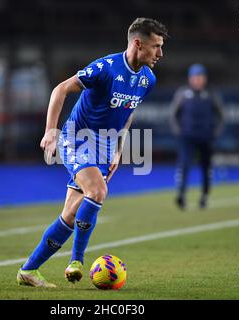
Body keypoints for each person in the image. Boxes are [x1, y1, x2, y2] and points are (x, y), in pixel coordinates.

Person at [16, 17, 168, 288]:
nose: (160, 53)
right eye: (156, 46)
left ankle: (29, 270)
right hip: (77, 139)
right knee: (97, 192)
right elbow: (60, 89)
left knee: (71, 215)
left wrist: (119, 149)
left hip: (106, 146)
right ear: (138, 43)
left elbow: (128, 112)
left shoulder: (148, 79)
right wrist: (51, 130)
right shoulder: (105, 68)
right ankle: (77, 261)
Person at [169, 63, 224, 210]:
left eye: (200, 77)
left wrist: (215, 132)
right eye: (195, 77)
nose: (198, 80)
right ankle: (181, 195)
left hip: (206, 137)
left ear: (205, 79)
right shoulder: (183, 93)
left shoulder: (211, 94)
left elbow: (221, 115)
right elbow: (173, 114)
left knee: (206, 168)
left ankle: (204, 196)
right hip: (187, 137)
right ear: (190, 79)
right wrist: (179, 132)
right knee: (184, 165)